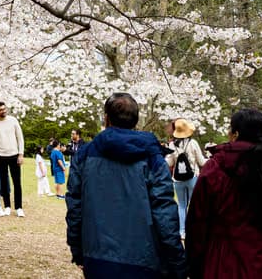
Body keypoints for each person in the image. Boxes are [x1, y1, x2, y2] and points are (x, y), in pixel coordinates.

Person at [66, 92, 186, 279]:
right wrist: (177, 260)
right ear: (136, 121)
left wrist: (77, 248)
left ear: (106, 118)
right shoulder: (152, 156)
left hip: (98, 257)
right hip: (143, 260)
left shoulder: (84, 155)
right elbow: (164, 210)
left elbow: (75, 206)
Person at [184, 108, 262, 279]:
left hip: (225, 262)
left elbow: (197, 223)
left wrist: (195, 265)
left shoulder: (215, 169)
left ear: (235, 133)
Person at [165, 118, 206, 239]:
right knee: (194, 205)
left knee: (181, 205)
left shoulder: (172, 145)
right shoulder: (193, 143)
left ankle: (182, 231)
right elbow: (201, 162)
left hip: (178, 179)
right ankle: (194, 230)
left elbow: (169, 163)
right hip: (192, 177)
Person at [0, 101, 26, 217]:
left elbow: (20, 138)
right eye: (1, 110)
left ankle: (19, 207)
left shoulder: (13, 120)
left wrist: (21, 154)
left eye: (4, 109)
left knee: (17, 182)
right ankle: (7, 206)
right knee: (4, 182)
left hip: (14, 155)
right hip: (0, 156)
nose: (3, 111)